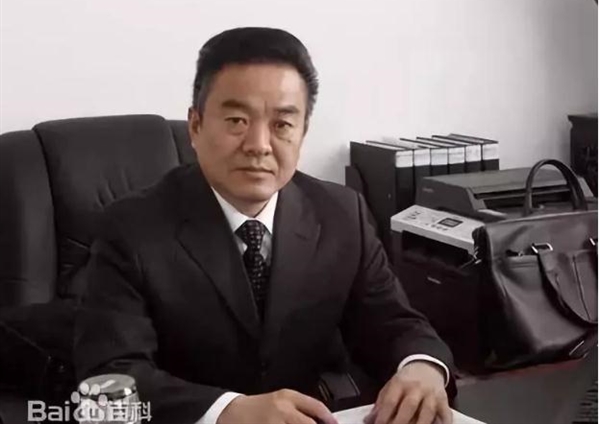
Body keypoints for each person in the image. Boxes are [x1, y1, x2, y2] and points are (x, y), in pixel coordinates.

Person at [74, 27, 456, 424]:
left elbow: (393, 322)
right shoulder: (130, 229)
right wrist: (226, 410)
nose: (259, 144)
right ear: (195, 126)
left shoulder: (342, 215)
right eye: (237, 120)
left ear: (302, 132)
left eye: (282, 124)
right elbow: (107, 381)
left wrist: (422, 367)